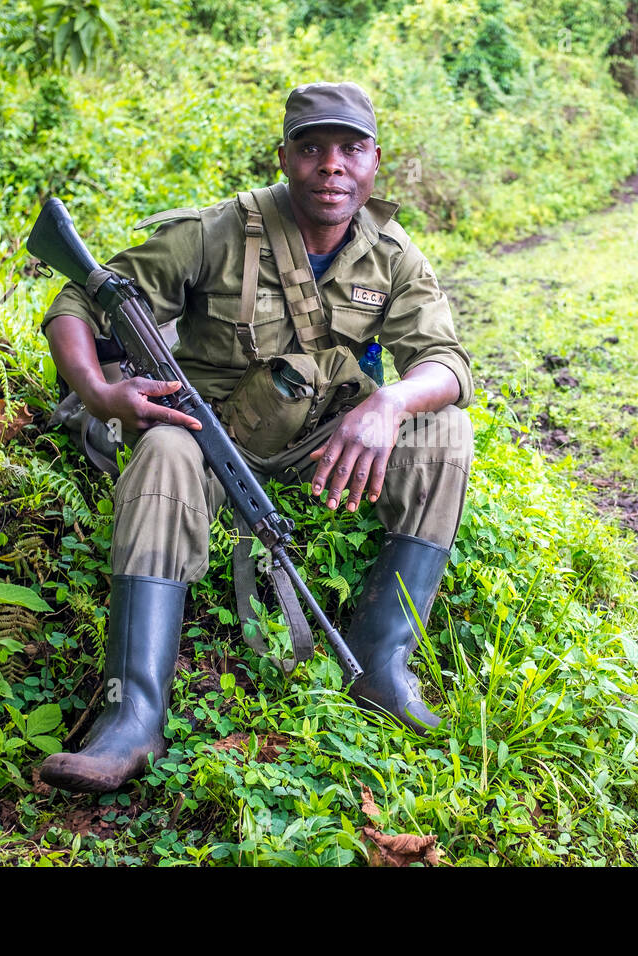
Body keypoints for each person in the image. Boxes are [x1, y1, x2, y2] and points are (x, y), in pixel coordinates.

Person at [36, 81, 475, 793]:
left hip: (324, 446)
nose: (331, 166)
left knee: (445, 430)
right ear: (285, 157)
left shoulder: (394, 255)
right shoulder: (217, 231)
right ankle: (133, 716)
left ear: (374, 162)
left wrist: (389, 404)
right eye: (312, 149)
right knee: (163, 450)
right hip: (212, 437)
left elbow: (448, 364)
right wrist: (100, 391)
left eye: (350, 149)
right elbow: (79, 298)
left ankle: (382, 662)